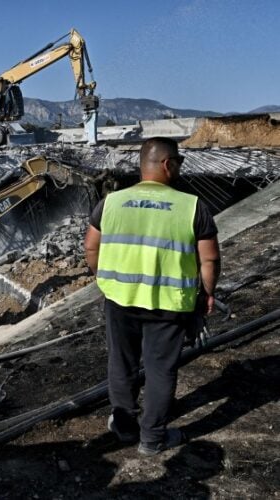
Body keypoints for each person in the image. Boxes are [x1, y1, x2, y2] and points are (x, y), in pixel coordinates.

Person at [84, 137, 221, 456]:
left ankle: (124, 428)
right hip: (169, 305)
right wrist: (208, 294)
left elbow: (91, 247)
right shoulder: (192, 206)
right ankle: (152, 438)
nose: (180, 168)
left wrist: (105, 279)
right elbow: (209, 259)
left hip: (120, 300)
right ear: (166, 164)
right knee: (161, 370)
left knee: (122, 363)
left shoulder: (111, 202)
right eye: (179, 162)